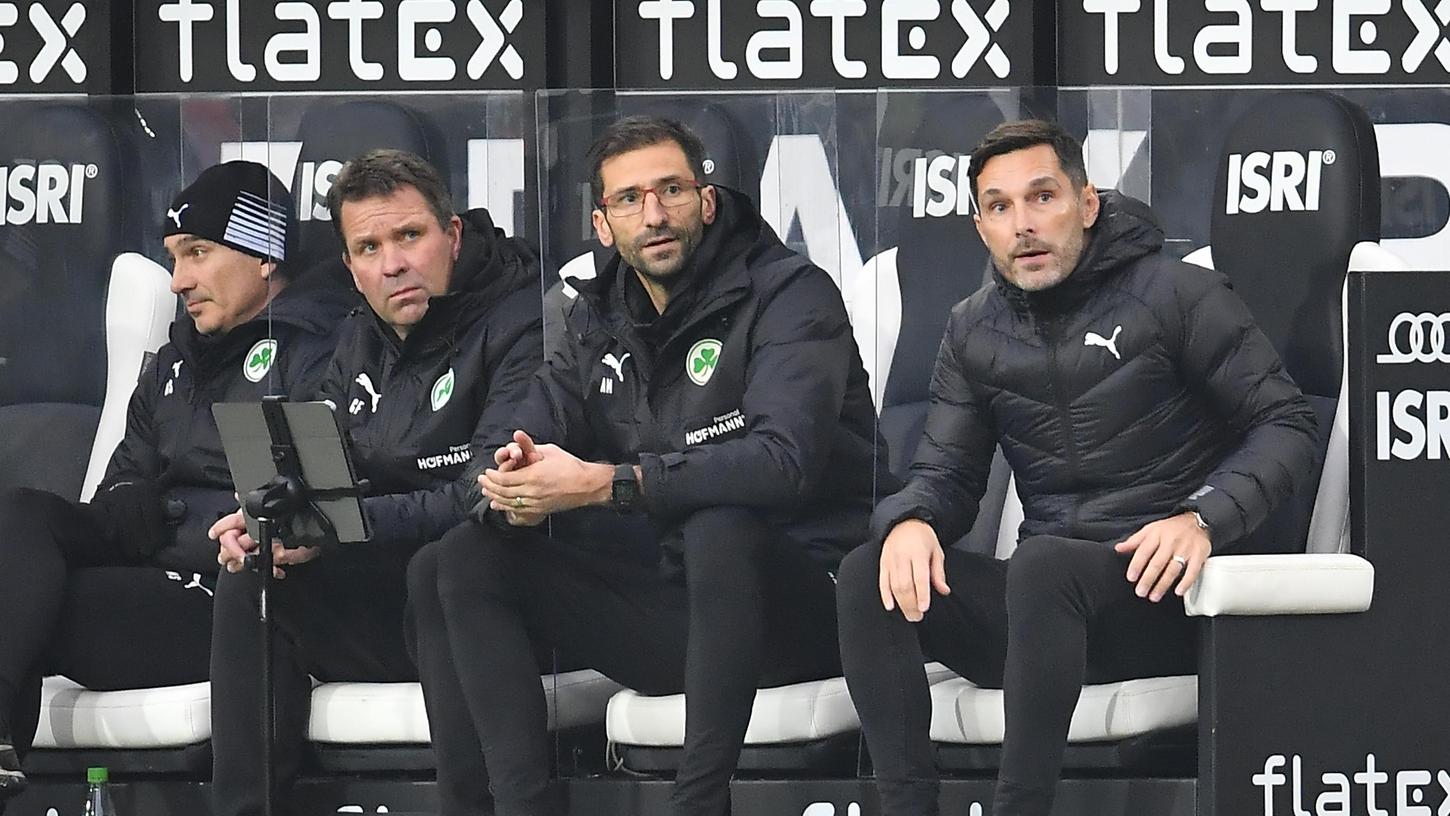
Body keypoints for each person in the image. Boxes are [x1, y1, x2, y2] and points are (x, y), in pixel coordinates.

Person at [404, 116, 890, 816]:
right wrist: (514, 477)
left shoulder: (790, 293)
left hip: (811, 600)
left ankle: (699, 806)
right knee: (456, 558)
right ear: (603, 225)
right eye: (629, 199)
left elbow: (783, 465)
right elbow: (494, 449)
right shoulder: (592, 321)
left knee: (719, 529)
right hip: (682, 610)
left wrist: (608, 485)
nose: (654, 214)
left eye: (672, 190)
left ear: (708, 201)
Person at [836, 119, 1321, 816]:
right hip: (1050, 618)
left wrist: (1203, 517)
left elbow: (1288, 424)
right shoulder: (974, 329)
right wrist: (911, 519)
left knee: (1043, 567)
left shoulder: (1177, 294)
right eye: (1000, 207)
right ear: (982, 228)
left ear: (1087, 204)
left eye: (1043, 198)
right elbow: (946, 474)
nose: (1023, 224)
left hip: (1169, 599)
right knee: (869, 573)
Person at [206, 148, 544, 816]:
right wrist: (274, 521)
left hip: (497, 606)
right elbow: (320, 473)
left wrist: (342, 524)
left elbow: (485, 494)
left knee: (443, 566)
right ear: (350, 270)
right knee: (251, 577)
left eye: (409, 236)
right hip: (389, 600)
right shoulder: (357, 336)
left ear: (451, 235)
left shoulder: (523, 323)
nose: (393, 263)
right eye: (369, 247)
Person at [0, 161, 347, 802]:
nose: (179, 281)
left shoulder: (315, 349)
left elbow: (301, 507)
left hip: (235, 598)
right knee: (18, 518)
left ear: (265, 253)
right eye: (172, 257)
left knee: (34, 608)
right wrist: (127, 501)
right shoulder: (172, 364)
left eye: (198, 253)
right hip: (150, 573)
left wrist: (171, 511)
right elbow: (121, 483)